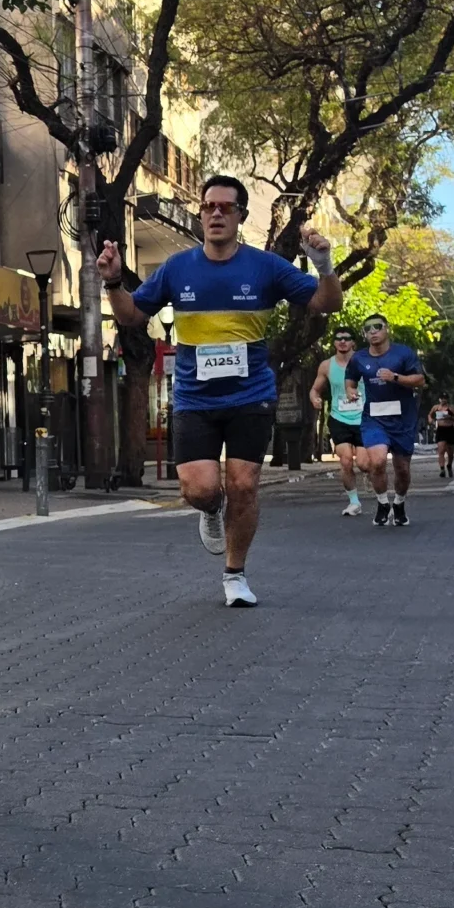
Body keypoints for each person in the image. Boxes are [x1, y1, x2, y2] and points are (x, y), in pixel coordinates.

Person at [99, 180, 341, 607]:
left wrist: (324, 266)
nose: (215, 214)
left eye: (225, 208)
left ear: (240, 216)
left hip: (251, 396)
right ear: (200, 214)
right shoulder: (177, 268)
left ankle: (235, 575)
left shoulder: (266, 267)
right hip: (195, 400)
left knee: (243, 486)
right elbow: (132, 315)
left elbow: (327, 304)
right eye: (208, 206)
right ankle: (211, 510)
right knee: (199, 490)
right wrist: (115, 282)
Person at [349, 315, 427, 526]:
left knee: (402, 468)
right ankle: (383, 503)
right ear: (364, 334)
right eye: (368, 329)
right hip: (374, 419)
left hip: (403, 419)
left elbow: (420, 380)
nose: (373, 331)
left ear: (387, 329)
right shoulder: (359, 358)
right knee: (377, 461)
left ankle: (399, 504)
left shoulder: (403, 353)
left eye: (377, 326)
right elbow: (350, 381)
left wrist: (395, 377)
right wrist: (351, 392)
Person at [310, 328, 368, 516]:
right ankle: (354, 502)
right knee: (345, 461)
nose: (342, 341)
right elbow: (315, 389)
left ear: (353, 342)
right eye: (339, 338)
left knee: (364, 464)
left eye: (347, 338)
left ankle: (373, 478)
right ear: (334, 342)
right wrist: (315, 399)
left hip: (363, 418)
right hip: (339, 417)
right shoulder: (326, 365)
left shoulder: (364, 361)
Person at [430, 398, 454, 479]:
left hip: (450, 430)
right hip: (440, 430)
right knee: (441, 449)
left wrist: (450, 417)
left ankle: (449, 465)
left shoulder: (451, 408)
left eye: (445, 398)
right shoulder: (436, 407)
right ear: (439, 399)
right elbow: (429, 415)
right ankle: (442, 469)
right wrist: (431, 421)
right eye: (442, 398)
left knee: (450, 452)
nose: (443, 400)